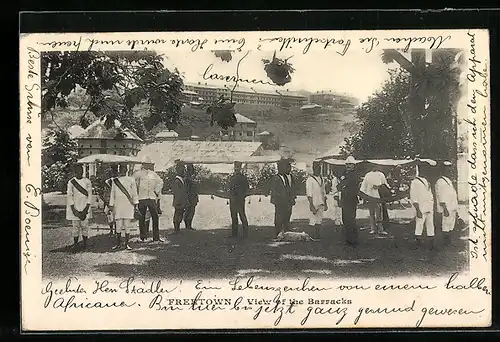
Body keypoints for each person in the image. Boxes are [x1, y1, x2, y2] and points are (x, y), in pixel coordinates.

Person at [109, 163, 139, 250]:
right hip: (118, 205)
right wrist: (111, 205)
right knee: (118, 226)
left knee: (127, 226)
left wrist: (136, 205)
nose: (122, 170)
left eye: (124, 168)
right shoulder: (115, 180)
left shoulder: (131, 180)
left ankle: (126, 244)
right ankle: (118, 244)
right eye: (121, 168)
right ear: (119, 170)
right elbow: (112, 193)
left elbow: (134, 194)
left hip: (128, 205)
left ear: (126, 170)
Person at [134, 158, 163, 242]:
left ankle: (156, 237)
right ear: (142, 164)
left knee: (155, 217)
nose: (147, 165)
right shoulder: (137, 174)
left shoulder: (153, 174)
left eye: (148, 164)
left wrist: (156, 190)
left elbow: (160, 182)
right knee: (141, 217)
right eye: (145, 163)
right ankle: (142, 237)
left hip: (151, 198)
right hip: (142, 198)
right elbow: (134, 185)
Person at [66, 164, 93, 250]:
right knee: (75, 227)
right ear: (75, 172)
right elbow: (69, 196)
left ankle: (85, 244)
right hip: (75, 207)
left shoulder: (87, 181)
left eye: (81, 171)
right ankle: (76, 244)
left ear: (82, 171)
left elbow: (89, 196)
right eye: (77, 171)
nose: (79, 172)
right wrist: (74, 210)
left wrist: (86, 209)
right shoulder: (71, 182)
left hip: (85, 206)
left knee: (85, 226)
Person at [409, 165, 436, 249]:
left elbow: (429, 194)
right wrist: (417, 209)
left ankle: (431, 243)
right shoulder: (415, 182)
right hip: (421, 207)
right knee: (419, 225)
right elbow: (413, 196)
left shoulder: (426, 181)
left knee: (430, 225)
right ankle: (418, 244)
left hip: (429, 206)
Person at [359, 165, 390, 235]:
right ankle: (373, 228)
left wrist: (379, 187)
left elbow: (385, 185)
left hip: (378, 196)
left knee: (379, 214)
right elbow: (363, 186)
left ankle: (380, 229)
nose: (374, 167)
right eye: (373, 166)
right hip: (370, 196)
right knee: (371, 213)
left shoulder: (381, 174)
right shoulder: (367, 175)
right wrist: (364, 195)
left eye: (376, 166)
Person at [434, 161, 458, 245]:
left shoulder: (448, 180)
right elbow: (441, 196)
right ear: (443, 170)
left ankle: (449, 241)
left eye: (450, 169)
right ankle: (446, 242)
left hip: (452, 206)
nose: (449, 171)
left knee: (451, 224)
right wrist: (445, 208)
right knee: (446, 224)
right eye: (447, 169)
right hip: (447, 207)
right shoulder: (440, 181)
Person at [337, 156, 359, 246]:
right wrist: (342, 186)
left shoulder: (355, 175)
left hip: (351, 199)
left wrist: (343, 185)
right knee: (345, 219)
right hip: (345, 199)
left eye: (350, 164)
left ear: (354, 165)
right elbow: (339, 186)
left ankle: (353, 239)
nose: (348, 166)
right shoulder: (344, 174)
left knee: (351, 219)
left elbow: (347, 184)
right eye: (347, 164)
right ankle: (348, 239)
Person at [270, 159, 296, 236]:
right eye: (286, 167)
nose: (288, 169)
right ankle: (278, 233)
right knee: (279, 217)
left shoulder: (290, 177)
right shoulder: (276, 178)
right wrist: (280, 199)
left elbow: (293, 188)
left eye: (289, 167)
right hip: (280, 202)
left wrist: (293, 198)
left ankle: (287, 233)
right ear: (280, 168)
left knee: (287, 216)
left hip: (288, 201)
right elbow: (275, 191)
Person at [306, 161, 328, 239]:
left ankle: (317, 235)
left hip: (321, 202)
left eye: (319, 168)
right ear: (313, 169)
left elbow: (324, 192)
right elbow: (309, 194)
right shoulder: (310, 179)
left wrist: (325, 203)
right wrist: (311, 205)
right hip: (314, 202)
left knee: (319, 220)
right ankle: (311, 235)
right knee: (312, 220)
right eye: (316, 168)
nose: (318, 170)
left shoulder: (321, 179)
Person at [228, 161, 250, 238]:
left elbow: (247, 188)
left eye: (237, 167)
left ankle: (245, 233)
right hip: (234, 199)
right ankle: (235, 234)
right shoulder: (232, 178)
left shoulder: (243, 178)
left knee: (242, 216)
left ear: (240, 168)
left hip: (239, 199)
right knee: (234, 217)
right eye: (235, 167)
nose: (236, 169)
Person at [171, 161, 188, 234]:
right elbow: (177, 192)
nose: (183, 171)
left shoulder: (181, 180)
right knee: (177, 214)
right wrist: (179, 202)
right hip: (178, 201)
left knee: (180, 214)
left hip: (182, 201)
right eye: (181, 170)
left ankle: (178, 229)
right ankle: (176, 229)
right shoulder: (177, 180)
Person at [104, 164, 118, 237]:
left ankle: (115, 231)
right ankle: (112, 230)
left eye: (115, 171)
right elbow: (106, 192)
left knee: (115, 216)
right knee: (110, 216)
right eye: (112, 171)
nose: (113, 173)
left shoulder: (118, 180)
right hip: (109, 199)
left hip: (115, 199)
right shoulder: (107, 181)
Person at [184, 164, 199, 230]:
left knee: (191, 212)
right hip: (190, 197)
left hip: (193, 197)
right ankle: (188, 226)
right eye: (191, 170)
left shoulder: (190, 178)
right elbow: (187, 190)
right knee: (189, 212)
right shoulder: (187, 179)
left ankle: (189, 225)